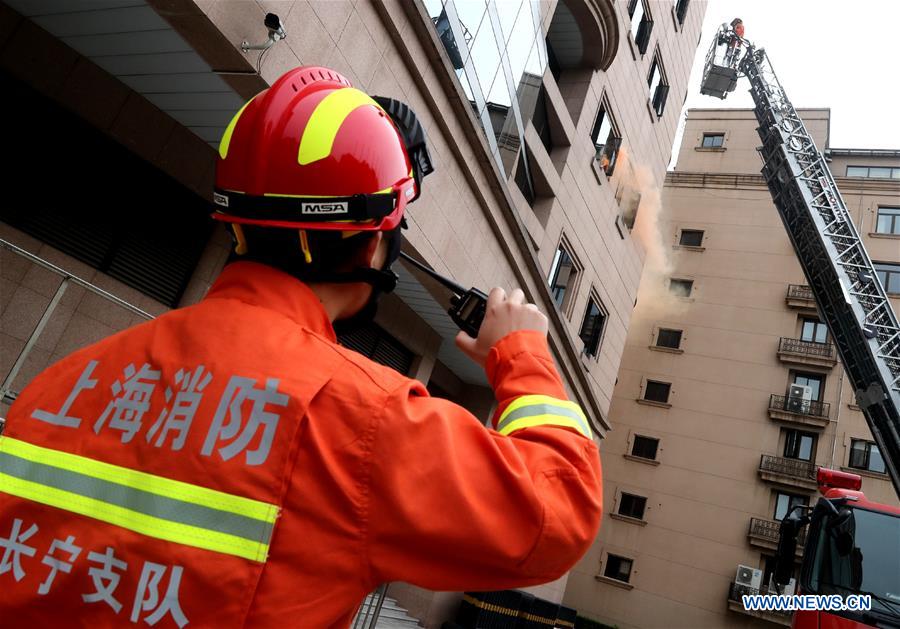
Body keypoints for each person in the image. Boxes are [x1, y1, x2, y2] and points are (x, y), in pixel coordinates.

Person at [0, 66, 602, 627]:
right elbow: (561, 509)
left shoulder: (71, 377)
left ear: (237, 224)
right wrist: (521, 352)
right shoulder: (368, 423)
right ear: (373, 246)